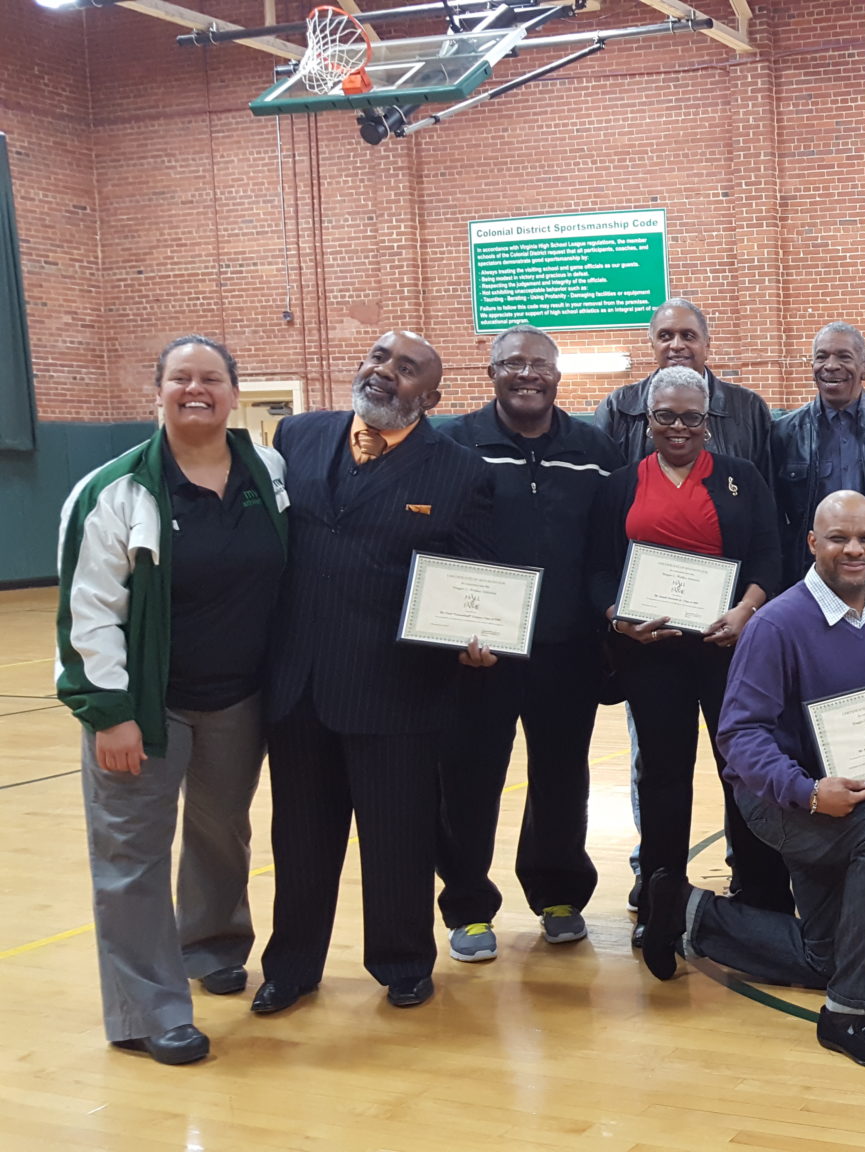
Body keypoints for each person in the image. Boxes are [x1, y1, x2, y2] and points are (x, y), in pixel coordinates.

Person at [55, 336, 287, 1064]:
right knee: (130, 856)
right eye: (180, 378)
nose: (196, 389)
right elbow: (87, 613)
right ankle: (147, 1010)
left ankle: (212, 944)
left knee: (224, 834)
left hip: (238, 699)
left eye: (211, 378)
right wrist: (110, 712)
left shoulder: (268, 471)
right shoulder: (113, 492)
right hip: (145, 710)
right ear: (156, 391)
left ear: (233, 392)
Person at [638, 492, 865, 1073]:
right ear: (812, 543)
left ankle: (684, 912)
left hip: (845, 799)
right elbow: (739, 738)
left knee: (826, 955)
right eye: (839, 538)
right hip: (783, 801)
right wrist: (812, 793)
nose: (855, 549)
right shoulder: (775, 624)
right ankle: (853, 1012)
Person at [254, 330, 495, 1014]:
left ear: (432, 397)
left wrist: (475, 640)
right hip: (297, 685)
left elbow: (475, 577)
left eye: (407, 368)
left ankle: (402, 961)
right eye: (379, 358)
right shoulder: (296, 436)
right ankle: (291, 966)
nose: (385, 372)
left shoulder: (460, 471)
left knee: (398, 837)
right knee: (299, 837)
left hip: (398, 690)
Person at [434, 324, 624, 961]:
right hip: (478, 651)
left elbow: (609, 546)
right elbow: (433, 541)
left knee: (563, 778)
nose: (526, 374)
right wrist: (451, 633)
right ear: (491, 373)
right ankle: (467, 906)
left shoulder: (595, 449)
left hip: (568, 649)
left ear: (557, 376)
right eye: (512, 363)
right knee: (469, 778)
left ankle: (559, 893)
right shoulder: (452, 442)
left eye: (538, 364)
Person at [592, 297, 776, 907]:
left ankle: (758, 887)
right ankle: (661, 892)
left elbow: (767, 558)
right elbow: (596, 570)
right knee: (664, 776)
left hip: (729, 649)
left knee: (741, 766)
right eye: (666, 417)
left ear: (707, 422)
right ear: (647, 419)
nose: (679, 428)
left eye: (691, 419)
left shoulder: (741, 476)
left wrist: (746, 610)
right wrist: (619, 618)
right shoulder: (619, 486)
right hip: (652, 653)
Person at [772, 322, 865, 589]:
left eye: (843, 357)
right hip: (811, 575)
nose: (830, 365)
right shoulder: (784, 433)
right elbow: (776, 515)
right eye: (821, 356)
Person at [592, 297, 775, 477]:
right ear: (652, 345)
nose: (677, 345)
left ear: (707, 345)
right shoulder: (618, 408)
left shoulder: (748, 408)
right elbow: (606, 491)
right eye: (665, 336)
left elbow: (765, 489)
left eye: (688, 336)